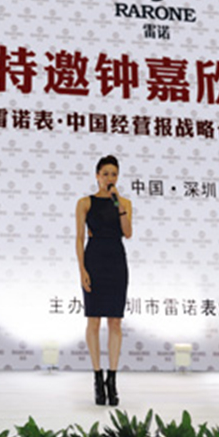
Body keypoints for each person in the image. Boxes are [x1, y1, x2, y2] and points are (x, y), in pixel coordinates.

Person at [75, 155, 133, 406]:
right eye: (106, 173)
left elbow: (128, 233)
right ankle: (97, 379)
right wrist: (82, 269)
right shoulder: (85, 203)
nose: (110, 178)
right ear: (97, 175)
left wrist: (118, 204)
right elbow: (79, 238)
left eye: (114, 174)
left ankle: (112, 380)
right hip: (95, 259)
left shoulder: (124, 202)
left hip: (116, 261)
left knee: (115, 322)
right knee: (94, 320)